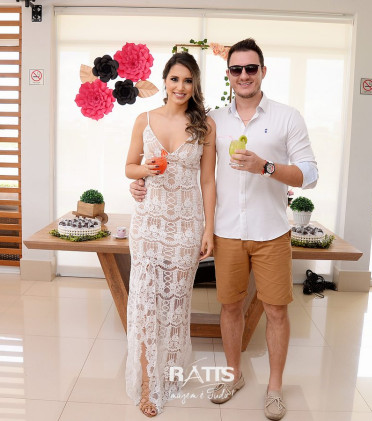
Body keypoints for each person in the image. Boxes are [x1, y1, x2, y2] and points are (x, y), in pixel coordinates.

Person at [130, 38, 318, 421]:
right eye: (236, 69)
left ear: (262, 71)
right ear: (228, 74)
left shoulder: (287, 117)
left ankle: (275, 389)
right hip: (228, 231)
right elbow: (199, 176)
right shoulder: (213, 120)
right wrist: (141, 182)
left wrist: (266, 167)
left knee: (276, 310)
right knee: (230, 308)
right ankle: (233, 376)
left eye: (251, 68)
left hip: (270, 232)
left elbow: (310, 174)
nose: (244, 75)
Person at [124, 52, 216, 417]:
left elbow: (207, 181)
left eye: (188, 80)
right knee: (145, 303)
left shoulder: (204, 126)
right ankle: (148, 384)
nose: (181, 86)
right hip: (148, 225)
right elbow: (129, 167)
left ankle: (168, 371)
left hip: (186, 226)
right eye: (175, 79)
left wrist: (209, 229)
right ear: (164, 81)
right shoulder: (144, 120)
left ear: (195, 85)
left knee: (175, 304)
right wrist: (143, 172)